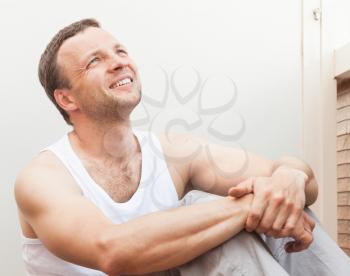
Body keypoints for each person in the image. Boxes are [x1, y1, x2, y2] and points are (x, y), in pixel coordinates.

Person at [14, 18, 350, 276]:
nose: (119, 62)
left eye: (120, 51)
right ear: (66, 98)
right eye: (95, 61)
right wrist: (247, 208)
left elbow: (301, 180)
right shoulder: (43, 177)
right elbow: (111, 252)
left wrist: (288, 179)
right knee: (209, 210)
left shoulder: (174, 150)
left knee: (282, 200)